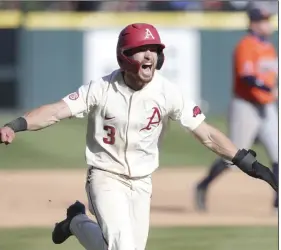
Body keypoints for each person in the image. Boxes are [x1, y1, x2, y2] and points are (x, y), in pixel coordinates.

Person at [0, 23, 277, 250]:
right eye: (140, 49)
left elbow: (205, 133)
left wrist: (248, 162)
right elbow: (56, 111)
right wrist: (15, 124)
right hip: (105, 176)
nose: (148, 56)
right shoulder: (102, 88)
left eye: (153, 50)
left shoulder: (167, 91)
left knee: (124, 248)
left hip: (142, 183)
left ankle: (76, 222)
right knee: (123, 247)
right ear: (124, 55)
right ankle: (78, 221)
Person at [195, 8, 278, 212]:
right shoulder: (245, 46)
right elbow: (247, 77)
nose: (267, 24)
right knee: (233, 157)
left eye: (268, 20)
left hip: (267, 107)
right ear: (253, 24)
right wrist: (268, 88)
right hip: (245, 107)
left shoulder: (269, 48)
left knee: (278, 155)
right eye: (263, 21)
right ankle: (203, 185)